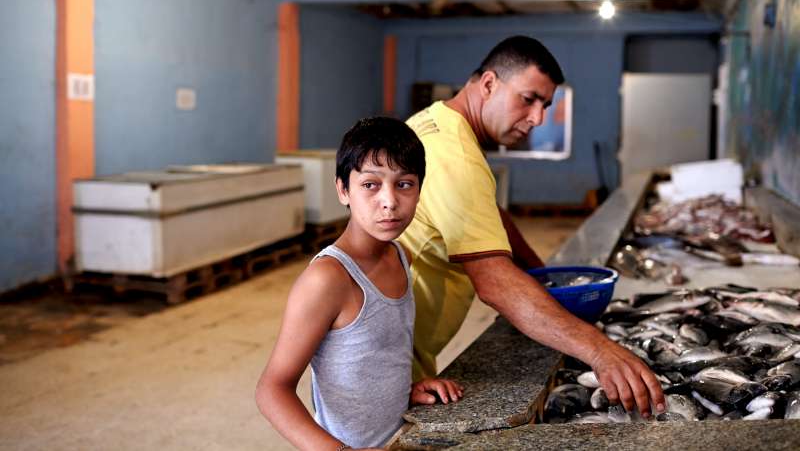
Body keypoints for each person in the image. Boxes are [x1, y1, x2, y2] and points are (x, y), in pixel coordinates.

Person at [398, 36, 666, 418]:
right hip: (392, 362)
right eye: (528, 99)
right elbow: (494, 284)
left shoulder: (436, 123)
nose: (538, 118)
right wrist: (599, 349)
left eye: (546, 105)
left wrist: (543, 277)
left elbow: (486, 215)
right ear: (488, 84)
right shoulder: (455, 157)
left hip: (402, 348)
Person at [255, 117, 463, 451]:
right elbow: (271, 390)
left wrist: (404, 391)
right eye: (370, 185)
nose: (389, 201)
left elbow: (373, 358)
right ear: (343, 190)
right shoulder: (328, 279)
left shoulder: (400, 256)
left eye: (404, 184)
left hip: (398, 438)